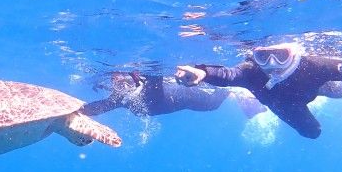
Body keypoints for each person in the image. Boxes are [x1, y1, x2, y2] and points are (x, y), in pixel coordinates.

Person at [175, 42, 342, 139]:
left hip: (314, 89)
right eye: (262, 56)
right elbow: (226, 73)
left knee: (339, 91)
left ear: (295, 53)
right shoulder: (250, 72)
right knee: (312, 133)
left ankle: (332, 92)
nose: (271, 65)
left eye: (280, 56)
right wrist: (201, 72)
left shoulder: (316, 65)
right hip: (282, 105)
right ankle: (252, 102)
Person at [81, 71, 266, 118]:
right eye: (115, 81)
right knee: (226, 89)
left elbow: (98, 107)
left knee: (227, 89)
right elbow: (100, 107)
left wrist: (78, 111)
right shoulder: (129, 97)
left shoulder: (129, 96)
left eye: (118, 79)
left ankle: (244, 97)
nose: (115, 82)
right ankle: (243, 97)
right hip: (206, 101)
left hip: (203, 99)